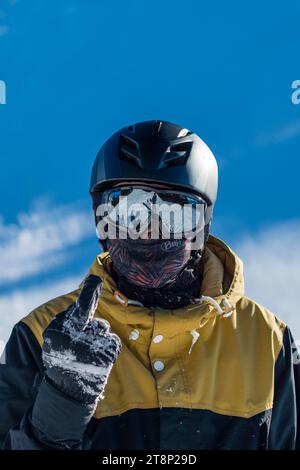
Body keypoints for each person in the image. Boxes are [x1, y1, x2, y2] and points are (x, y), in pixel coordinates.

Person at [0, 120, 299, 450]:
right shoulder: (42, 334)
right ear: (101, 221)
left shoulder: (267, 340)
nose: (149, 231)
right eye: (127, 211)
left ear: (203, 225)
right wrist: (61, 406)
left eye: (174, 213)